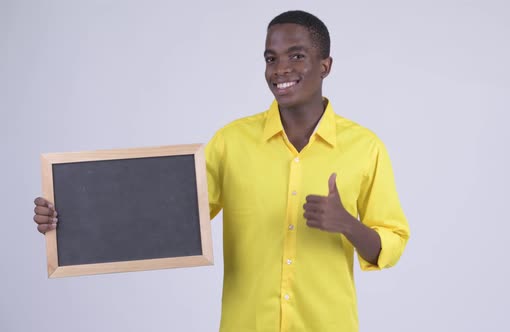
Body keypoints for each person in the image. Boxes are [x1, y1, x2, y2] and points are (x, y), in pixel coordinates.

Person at [33, 10, 410, 332]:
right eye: (270, 58)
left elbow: (391, 244)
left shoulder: (365, 147)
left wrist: (348, 224)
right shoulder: (231, 142)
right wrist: (70, 218)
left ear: (325, 65)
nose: (281, 69)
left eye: (296, 56)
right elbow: (168, 215)